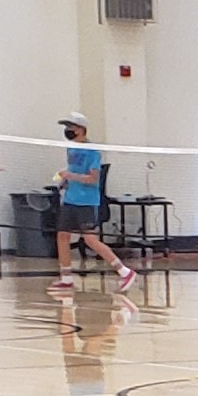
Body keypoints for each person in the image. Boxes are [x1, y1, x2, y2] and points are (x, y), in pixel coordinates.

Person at [47, 115, 135, 295]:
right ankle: (66, 279)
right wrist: (65, 182)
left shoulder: (93, 151)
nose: (67, 130)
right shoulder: (71, 149)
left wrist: (70, 176)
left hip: (86, 202)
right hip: (70, 199)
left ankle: (124, 272)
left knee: (90, 239)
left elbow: (93, 179)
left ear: (80, 129)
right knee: (62, 236)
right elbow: (73, 172)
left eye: (70, 126)